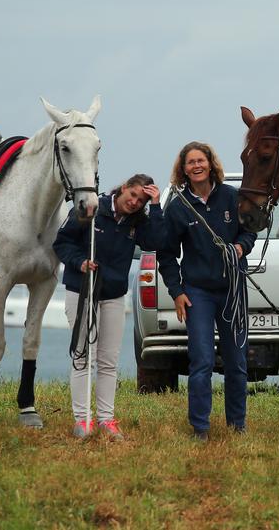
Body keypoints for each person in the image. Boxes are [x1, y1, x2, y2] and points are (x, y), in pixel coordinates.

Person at [157, 142, 257, 441]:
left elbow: (250, 230)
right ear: (183, 169)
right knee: (200, 361)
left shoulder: (231, 196)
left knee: (236, 362)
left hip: (233, 291)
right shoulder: (177, 207)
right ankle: (200, 427)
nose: (196, 166)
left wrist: (240, 247)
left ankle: (237, 424)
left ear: (211, 164)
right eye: (190, 162)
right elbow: (166, 254)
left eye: (201, 160)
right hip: (197, 292)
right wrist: (176, 291)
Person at [54, 173, 163, 440]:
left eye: (142, 200)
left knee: (108, 360)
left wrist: (157, 206)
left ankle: (106, 420)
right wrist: (80, 262)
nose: (135, 202)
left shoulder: (139, 222)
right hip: (82, 291)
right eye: (133, 195)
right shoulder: (92, 208)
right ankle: (82, 420)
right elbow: (62, 242)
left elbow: (158, 242)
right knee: (82, 356)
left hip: (114, 295)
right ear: (124, 188)